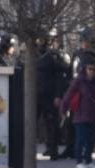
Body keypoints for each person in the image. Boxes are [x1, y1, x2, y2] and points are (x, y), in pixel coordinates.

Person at [62, 61, 95, 168]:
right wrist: (63, 109)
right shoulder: (79, 81)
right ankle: (79, 161)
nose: (91, 71)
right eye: (89, 69)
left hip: (93, 114)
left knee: (91, 140)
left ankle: (88, 160)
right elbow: (69, 94)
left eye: (94, 69)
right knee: (81, 139)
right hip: (80, 114)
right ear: (85, 69)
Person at [36, 32, 70, 160]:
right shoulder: (32, 54)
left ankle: (52, 149)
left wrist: (58, 95)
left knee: (51, 122)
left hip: (49, 95)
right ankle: (49, 147)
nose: (40, 42)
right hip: (36, 94)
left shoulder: (51, 56)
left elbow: (59, 76)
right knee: (40, 123)